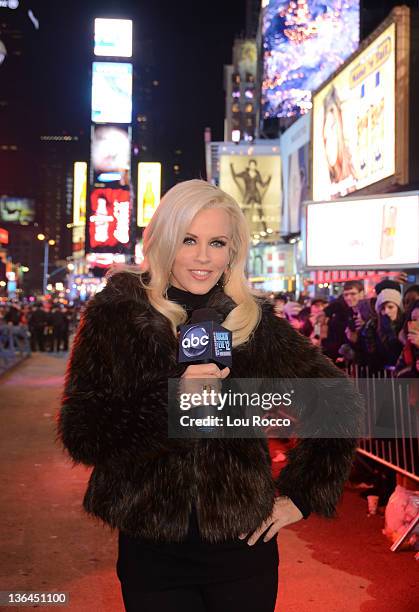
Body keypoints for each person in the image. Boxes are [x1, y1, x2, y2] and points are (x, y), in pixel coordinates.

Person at [57, 180, 361, 612]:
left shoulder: (253, 324)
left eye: (216, 242)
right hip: (152, 552)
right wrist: (173, 402)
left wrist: (303, 497)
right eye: (189, 240)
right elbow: (81, 432)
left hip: (242, 552)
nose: (203, 257)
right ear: (164, 240)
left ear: (231, 250)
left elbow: (337, 400)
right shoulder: (116, 316)